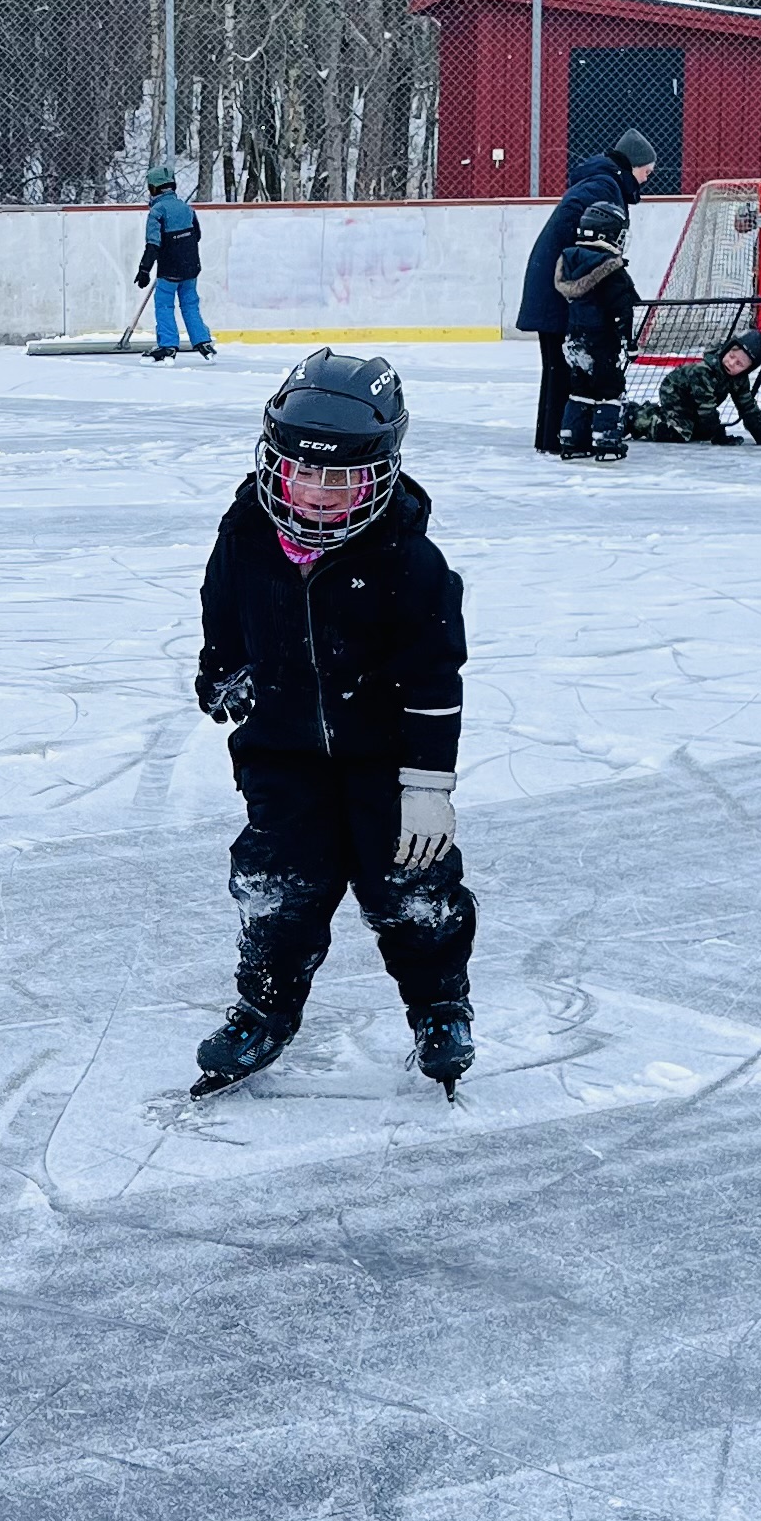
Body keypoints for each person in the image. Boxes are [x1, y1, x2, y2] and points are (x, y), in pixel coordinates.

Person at [190, 350, 476, 1099]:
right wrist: (220, 669)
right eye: (303, 473)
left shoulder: (410, 561)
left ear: (378, 475)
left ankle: (439, 1007)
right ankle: (265, 1008)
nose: (318, 493)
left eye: (343, 479)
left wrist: (427, 786)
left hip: (386, 760)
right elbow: (222, 608)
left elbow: (435, 679)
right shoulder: (245, 532)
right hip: (280, 751)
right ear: (274, 465)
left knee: (411, 891)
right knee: (277, 888)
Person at [517, 128, 657, 452]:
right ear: (632, 165)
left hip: (557, 285)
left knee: (559, 366)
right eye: (646, 172)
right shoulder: (602, 188)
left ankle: (554, 437)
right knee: (568, 365)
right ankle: (560, 437)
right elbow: (590, 249)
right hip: (560, 290)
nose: (646, 180)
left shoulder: (602, 184)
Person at [552, 199, 642, 459]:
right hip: (602, 340)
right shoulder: (612, 269)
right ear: (606, 234)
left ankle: (572, 437)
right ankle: (606, 439)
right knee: (609, 388)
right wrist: (629, 342)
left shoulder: (570, 260)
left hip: (574, 338)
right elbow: (622, 310)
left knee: (580, 388)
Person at [626, 330, 761, 445]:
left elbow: (747, 407)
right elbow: (706, 408)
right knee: (679, 433)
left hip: (695, 403)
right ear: (727, 349)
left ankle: (658, 415)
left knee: (701, 433)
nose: (731, 363)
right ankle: (635, 416)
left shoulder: (739, 380)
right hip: (676, 394)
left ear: (747, 369)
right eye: (731, 356)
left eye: (739, 364)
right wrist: (718, 435)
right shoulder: (705, 371)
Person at [136, 162, 215, 361]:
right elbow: (197, 235)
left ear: (153, 189)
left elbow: (153, 244)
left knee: (164, 305)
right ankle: (203, 341)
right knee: (190, 303)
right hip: (191, 267)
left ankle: (168, 345)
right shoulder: (187, 209)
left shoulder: (157, 212)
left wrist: (144, 270)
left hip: (169, 270)